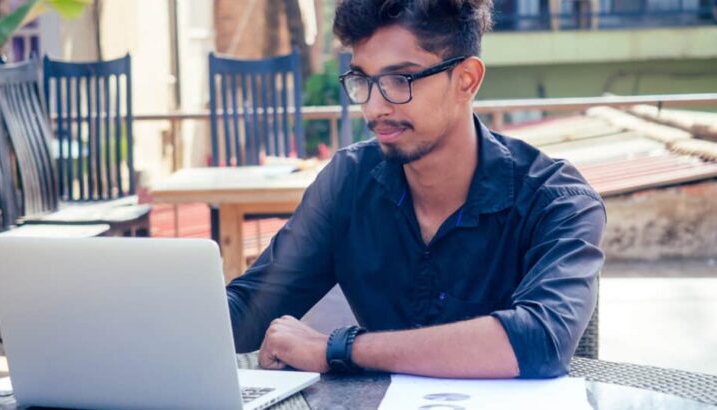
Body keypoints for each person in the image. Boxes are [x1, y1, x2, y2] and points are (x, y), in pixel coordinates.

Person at [226, 0, 606, 379]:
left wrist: (337, 349)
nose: (375, 108)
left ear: (466, 80)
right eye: (363, 81)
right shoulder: (349, 181)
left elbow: (541, 340)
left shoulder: (557, 201)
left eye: (399, 80)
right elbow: (252, 307)